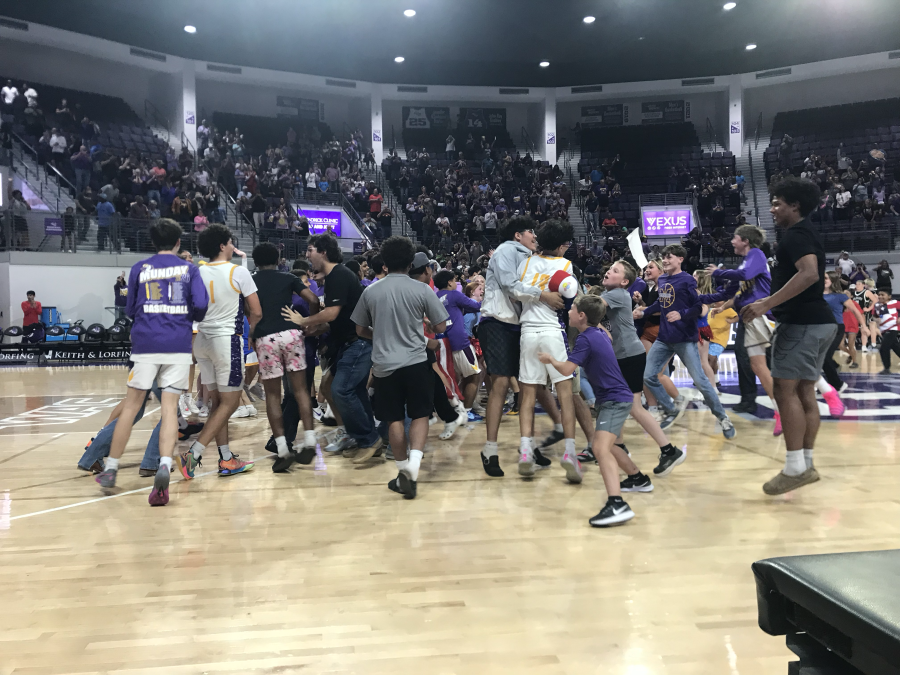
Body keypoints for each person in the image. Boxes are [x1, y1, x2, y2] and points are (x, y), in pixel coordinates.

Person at [94, 219, 209, 506]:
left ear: (152, 242)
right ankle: (163, 464)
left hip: (145, 343)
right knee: (170, 409)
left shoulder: (139, 268)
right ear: (179, 242)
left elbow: (130, 306)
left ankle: (111, 470)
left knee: (132, 406)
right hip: (178, 344)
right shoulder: (189, 269)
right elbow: (202, 305)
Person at [741, 177, 837, 496]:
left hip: (802, 323)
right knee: (805, 392)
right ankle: (805, 464)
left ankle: (795, 468)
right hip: (819, 321)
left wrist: (766, 303)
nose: (773, 208)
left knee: (784, 390)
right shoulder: (805, 232)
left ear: (794, 205)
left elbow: (809, 273)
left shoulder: (795, 235)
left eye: (778, 202)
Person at [350, 236, 449, 499]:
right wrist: (424, 328)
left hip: (384, 366)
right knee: (419, 415)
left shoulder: (371, 291)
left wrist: (380, 336)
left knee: (393, 418)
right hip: (416, 362)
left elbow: (360, 329)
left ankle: (401, 469)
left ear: (384, 261)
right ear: (409, 262)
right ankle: (413, 469)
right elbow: (441, 327)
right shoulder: (422, 289)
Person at [537, 295, 637, 527]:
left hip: (614, 399)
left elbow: (568, 369)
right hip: (615, 398)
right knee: (609, 446)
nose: (568, 311)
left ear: (581, 316)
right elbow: (607, 334)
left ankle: (616, 504)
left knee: (600, 449)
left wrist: (550, 358)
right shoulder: (599, 333)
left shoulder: (585, 339)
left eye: (572, 308)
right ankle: (637, 477)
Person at [478, 216, 564, 477]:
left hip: (521, 325)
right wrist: (544, 295)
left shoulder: (533, 257)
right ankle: (490, 449)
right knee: (502, 382)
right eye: (531, 231)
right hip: (497, 322)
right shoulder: (506, 250)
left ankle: (532, 442)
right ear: (518, 235)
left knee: (533, 384)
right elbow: (510, 286)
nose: (535, 236)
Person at [284, 234, 383, 461]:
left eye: (310, 250)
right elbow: (336, 320)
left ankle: (368, 439)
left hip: (358, 343)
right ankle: (366, 437)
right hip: (350, 342)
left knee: (341, 389)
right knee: (343, 390)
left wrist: (303, 321)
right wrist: (315, 330)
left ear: (324, 252)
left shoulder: (338, 275)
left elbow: (332, 313)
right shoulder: (333, 277)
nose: (307, 255)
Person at [179, 225, 261, 480]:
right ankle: (194, 453)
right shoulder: (238, 272)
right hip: (226, 341)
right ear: (222, 246)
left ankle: (226, 458)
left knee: (218, 404)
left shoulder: (196, 272)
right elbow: (256, 312)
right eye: (230, 242)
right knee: (231, 402)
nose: (232, 246)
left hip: (201, 339)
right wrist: (251, 334)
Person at [593, 261, 684, 480]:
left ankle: (668, 450)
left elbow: (590, 307)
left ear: (624, 281)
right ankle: (620, 446)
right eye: (610, 268)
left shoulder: (618, 294)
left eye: (615, 271)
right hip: (622, 357)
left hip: (629, 357)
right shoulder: (614, 294)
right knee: (617, 403)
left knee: (633, 406)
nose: (608, 271)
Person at [633, 244, 735, 438]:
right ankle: (671, 409)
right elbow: (660, 303)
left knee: (701, 381)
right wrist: (644, 311)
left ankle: (722, 417)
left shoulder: (687, 280)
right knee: (648, 376)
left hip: (685, 338)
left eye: (669, 257)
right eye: (663, 257)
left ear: (680, 259)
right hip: (664, 337)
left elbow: (699, 307)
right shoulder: (662, 279)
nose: (664, 260)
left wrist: (681, 314)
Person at [514, 220, 579, 481]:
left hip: (527, 331)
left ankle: (526, 451)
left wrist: (536, 293)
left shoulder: (526, 262)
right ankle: (570, 452)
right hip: (552, 330)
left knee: (527, 394)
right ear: (562, 245)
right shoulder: (565, 265)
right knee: (565, 394)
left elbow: (516, 292)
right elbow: (568, 298)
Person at [250, 242, 322, 471]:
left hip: (265, 337)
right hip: (292, 334)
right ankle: (310, 440)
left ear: (255, 261)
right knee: (301, 390)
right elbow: (313, 299)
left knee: (273, 394)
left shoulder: (250, 280)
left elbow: (249, 309)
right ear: (278, 258)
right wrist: (309, 324)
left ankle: (282, 448)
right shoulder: (288, 277)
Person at [704, 225, 778, 432]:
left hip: (760, 315)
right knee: (746, 358)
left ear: (745, 240)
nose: (732, 242)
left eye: (735, 238)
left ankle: (781, 402)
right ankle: (749, 398)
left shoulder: (756, 254)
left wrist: (719, 272)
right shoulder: (746, 260)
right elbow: (735, 293)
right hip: (748, 316)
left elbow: (745, 275)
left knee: (761, 361)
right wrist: (714, 303)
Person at [434, 270, 482, 415]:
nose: (456, 283)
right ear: (449, 282)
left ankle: (458, 409)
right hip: (460, 342)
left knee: (457, 378)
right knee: (474, 376)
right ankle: (466, 412)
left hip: (443, 342)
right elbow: (477, 306)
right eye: (454, 280)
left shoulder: (435, 296)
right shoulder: (455, 295)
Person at [874, 290, 900, 375]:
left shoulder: (894, 302)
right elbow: (875, 316)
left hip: (893, 328)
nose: (880, 296)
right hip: (883, 329)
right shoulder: (877, 305)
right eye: (879, 295)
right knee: (896, 347)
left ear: (889, 296)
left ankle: (887, 368)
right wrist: (876, 320)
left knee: (883, 348)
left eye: (883, 295)